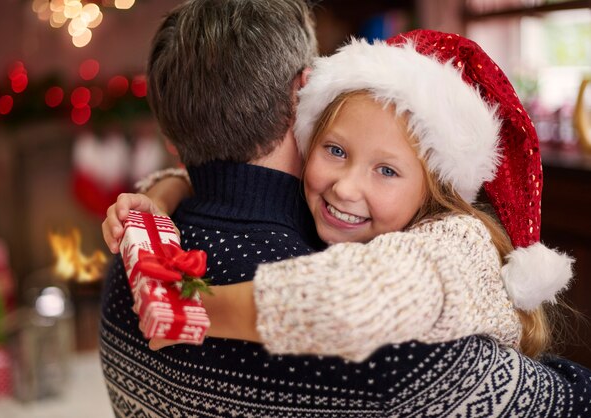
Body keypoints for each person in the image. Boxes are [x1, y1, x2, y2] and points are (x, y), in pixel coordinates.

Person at [100, 3, 591, 416]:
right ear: (305, 90)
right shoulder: (394, 351)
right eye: (338, 151)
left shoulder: (127, 263)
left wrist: (165, 203)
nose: (350, 186)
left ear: (169, 134)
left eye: (387, 170)